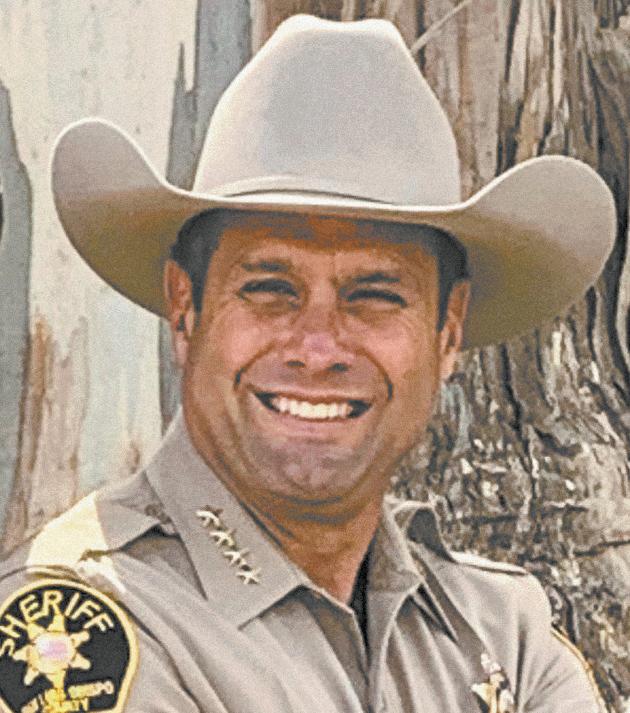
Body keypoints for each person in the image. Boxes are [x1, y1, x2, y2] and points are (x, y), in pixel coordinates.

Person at [0, 14, 615, 713]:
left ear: (448, 332)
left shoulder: (503, 631)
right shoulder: (78, 627)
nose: (318, 347)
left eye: (375, 295)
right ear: (185, 310)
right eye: (270, 288)